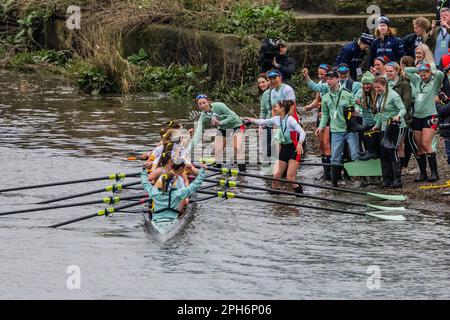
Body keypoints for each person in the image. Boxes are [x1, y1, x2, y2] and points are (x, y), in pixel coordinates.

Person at [244, 100, 306, 193]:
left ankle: (299, 195)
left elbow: (302, 132)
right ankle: (275, 202)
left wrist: (300, 143)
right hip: (284, 149)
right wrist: (250, 119)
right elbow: (262, 121)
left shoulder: (290, 120)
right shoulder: (276, 119)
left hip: (294, 149)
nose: (274, 108)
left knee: (290, 178)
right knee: (276, 176)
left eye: (276, 106)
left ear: (282, 108)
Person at [315, 70, 360, 187]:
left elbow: (356, 108)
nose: (328, 81)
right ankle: (334, 184)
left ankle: (361, 180)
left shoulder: (347, 93)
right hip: (336, 131)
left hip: (350, 129)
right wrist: (321, 126)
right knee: (335, 158)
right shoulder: (325, 97)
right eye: (327, 79)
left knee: (355, 155)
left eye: (331, 79)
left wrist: (355, 110)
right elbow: (325, 114)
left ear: (337, 79)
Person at [404, 63, 445, 182]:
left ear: (429, 73)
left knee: (426, 143)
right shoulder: (418, 81)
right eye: (421, 75)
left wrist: (430, 70)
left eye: (425, 74)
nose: (423, 77)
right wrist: (419, 69)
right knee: (419, 146)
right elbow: (407, 70)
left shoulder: (434, 82)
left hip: (430, 115)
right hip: (417, 117)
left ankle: (434, 173)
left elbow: (440, 74)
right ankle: (423, 173)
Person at [187, 94, 246, 171]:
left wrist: (220, 122)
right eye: (200, 104)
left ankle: (242, 172)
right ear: (198, 106)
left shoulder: (219, 106)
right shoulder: (203, 117)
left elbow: (232, 116)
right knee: (217, 150)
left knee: (237, 147)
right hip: (223, 128)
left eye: (204, 102)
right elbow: (198, 134)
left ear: (208, 102)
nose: (203, 105)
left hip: (237, 125)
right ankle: (218, 171)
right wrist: (187, 151)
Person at [140, 162, 207, 223]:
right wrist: (202, 170)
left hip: (156, 220)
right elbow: (195, 184)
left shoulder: (154, 192)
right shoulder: (178, 194)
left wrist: (144, 169)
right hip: (173, 220)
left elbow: (144, 182)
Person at [372, 76, 407, 188]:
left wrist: (397, 116)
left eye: (379, 87)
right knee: (384, 152)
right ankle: (387, 179)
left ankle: (397, 180)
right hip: (384, 127)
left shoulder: (393, 95)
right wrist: (377, 125)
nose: (377, 90)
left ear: (385, 85)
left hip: (396, 126)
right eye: (375, 88)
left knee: (392, 150)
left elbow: (403, 109)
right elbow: (381, 113)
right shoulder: (380, 96)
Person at [304, 64, 332, 180]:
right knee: (320, 144)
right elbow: (317, 99)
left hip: (330, 115)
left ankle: (330, 173)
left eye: (323, 74)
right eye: (319, 74)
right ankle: (325, 171)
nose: (320, 76)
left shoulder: (331, 84)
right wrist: (310, 107)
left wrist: (306, 76)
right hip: (320, 114)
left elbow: (313, 86)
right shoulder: (321, 84)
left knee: (326, 144)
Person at [386, 61, 413, 168]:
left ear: (397, 71)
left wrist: (397, 114)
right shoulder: (385, 83)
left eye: (391, 71)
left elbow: (407, 102)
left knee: (400, 144)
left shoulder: (404, 83)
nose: (388, 73)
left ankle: (399, 168)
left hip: (401, 118)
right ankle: (390, 168)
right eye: (387, 71)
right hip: (386, 117)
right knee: (389, 144)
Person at [257, 73, 274, 165]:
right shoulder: (264, 95)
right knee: (266, 148)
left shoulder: (277, 91)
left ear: (268, 81)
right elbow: (263, 111)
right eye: (259, 83)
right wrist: (260, 124)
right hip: (267, 124)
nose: (261, 85)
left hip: (277, 124)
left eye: (263, 82)